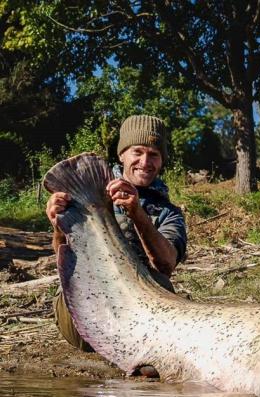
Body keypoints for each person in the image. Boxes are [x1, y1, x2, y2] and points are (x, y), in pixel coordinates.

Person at [45, 115, 188, 367]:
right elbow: (63, 253)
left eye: (154, 154)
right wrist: (58, 225)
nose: (145, 162)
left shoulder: (170, 213)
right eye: (137, 152)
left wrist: (137, 214)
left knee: (164, 286)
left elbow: (166, 265)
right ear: (121, 154)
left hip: (140, 312)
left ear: (162, 160)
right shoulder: (87, 194)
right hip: (83, 309)